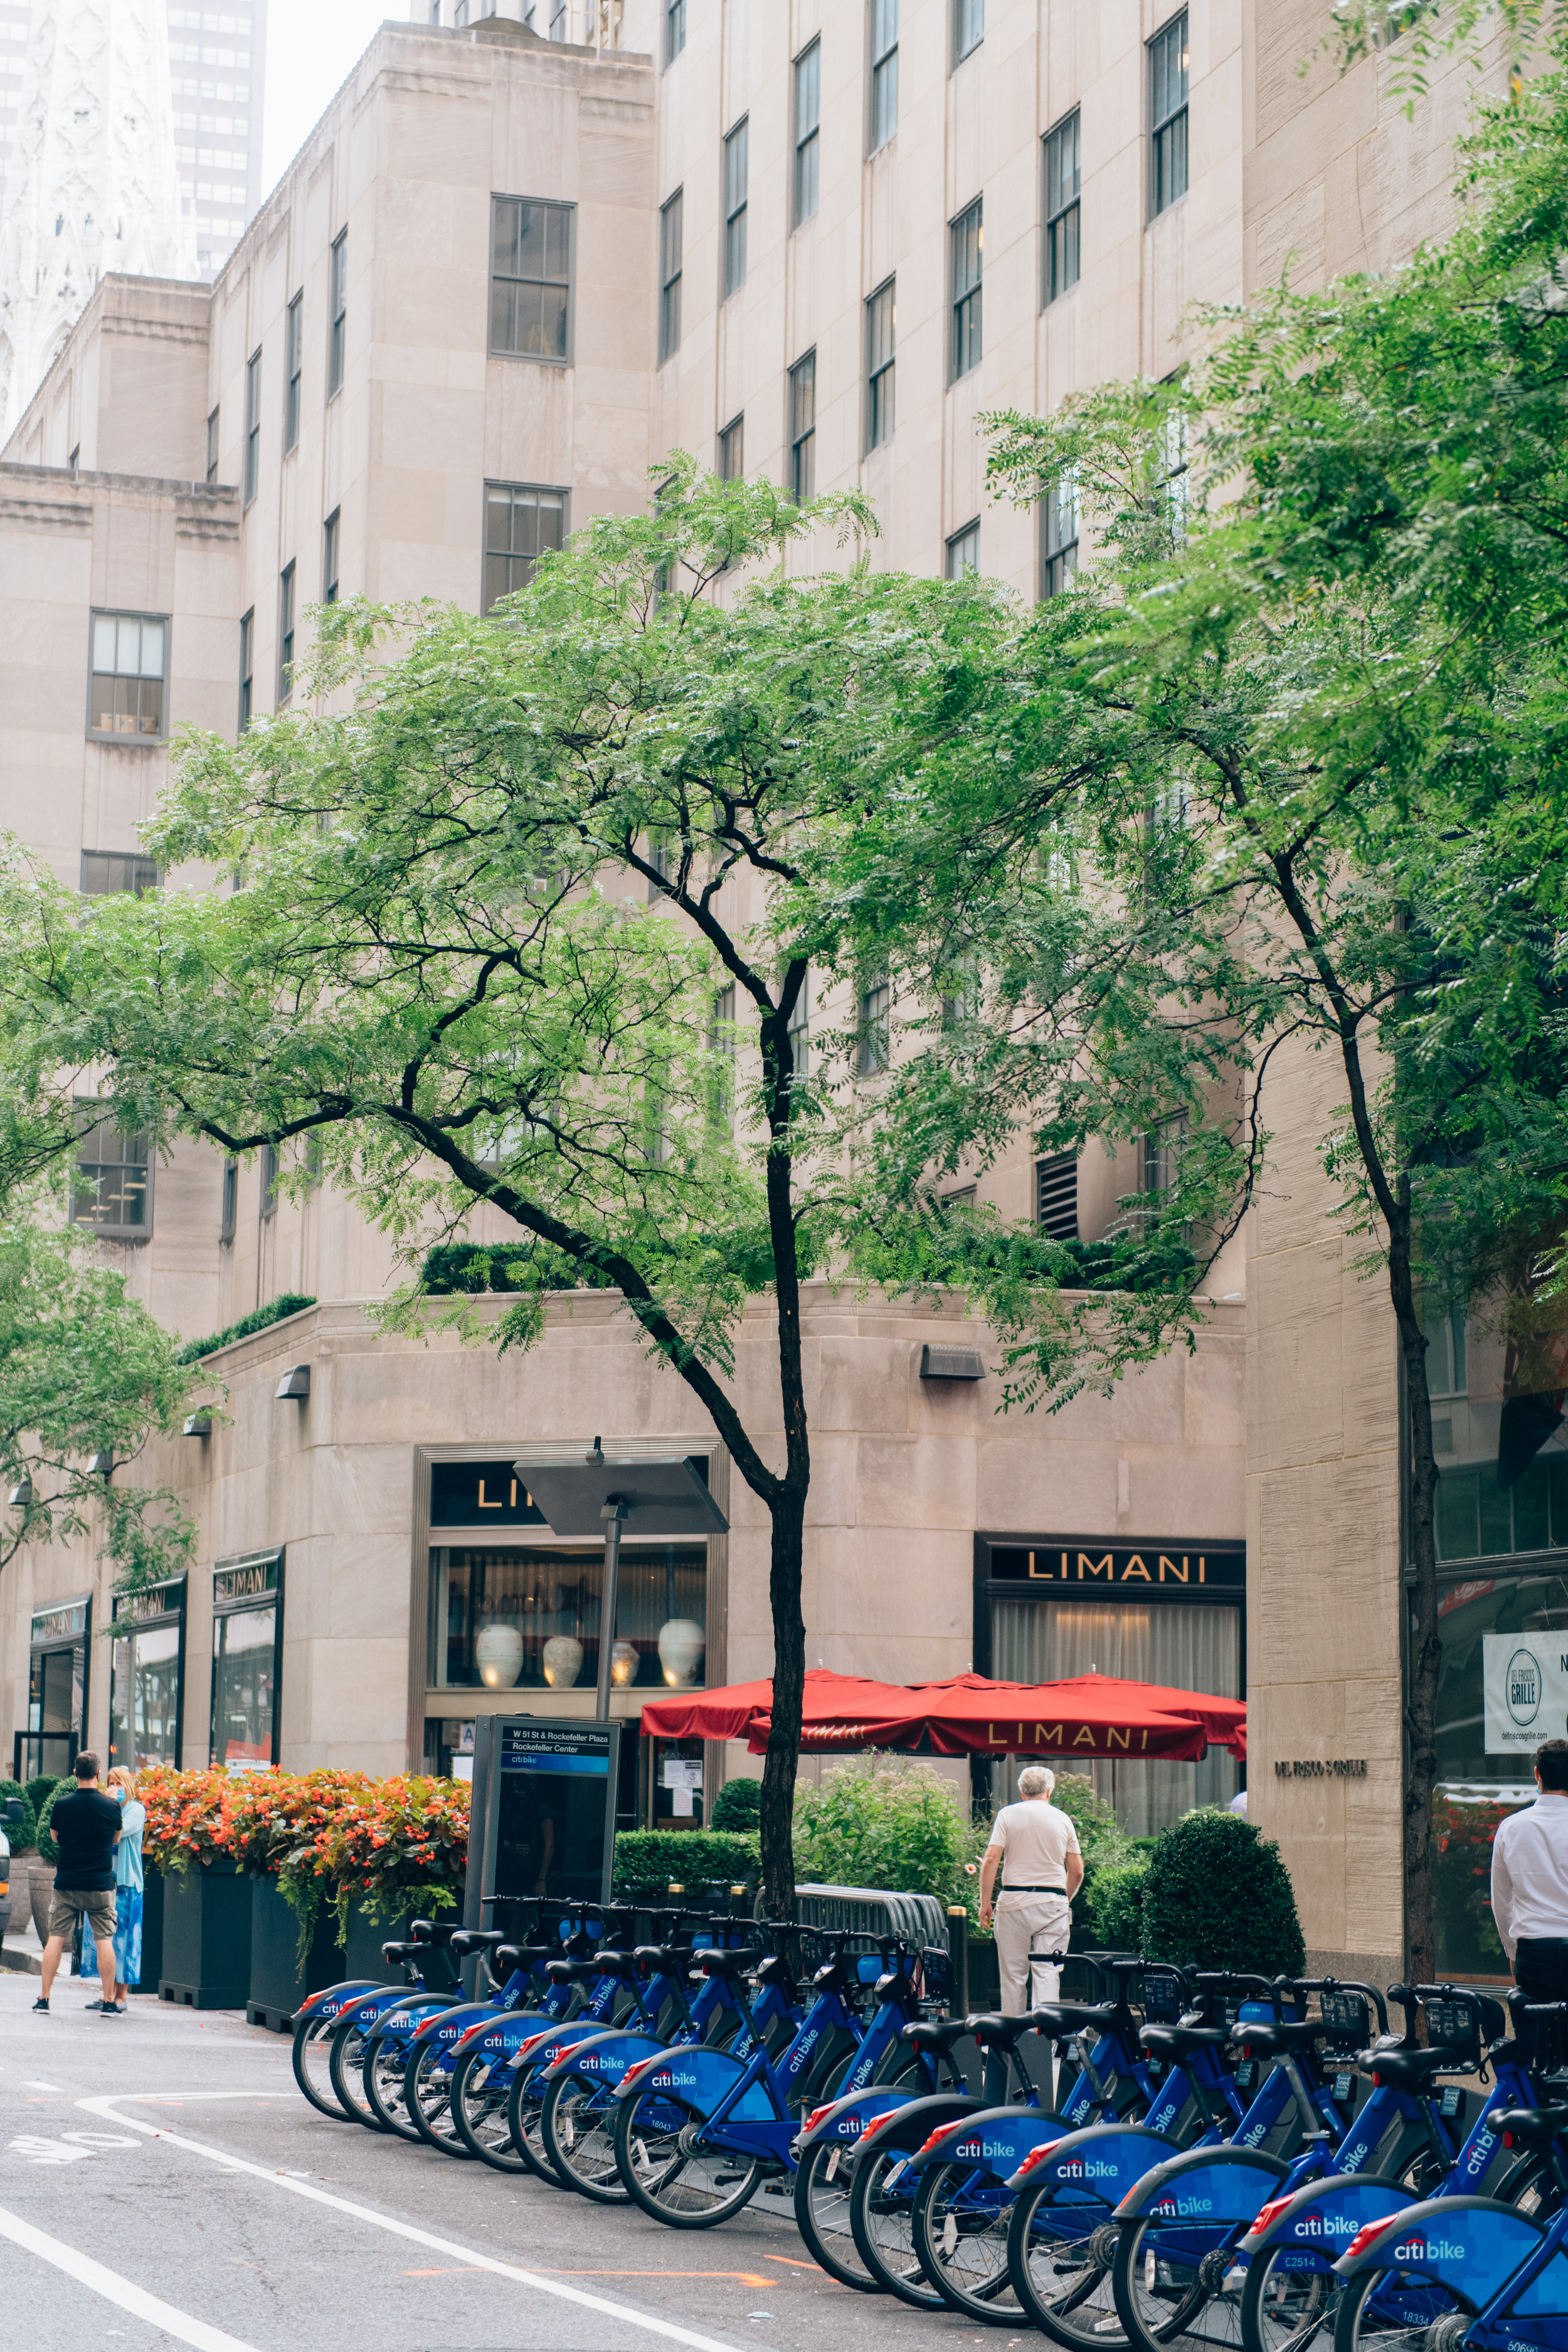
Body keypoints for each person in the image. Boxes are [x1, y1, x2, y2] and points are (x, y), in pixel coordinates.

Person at [979, 1763, 1084, 2016]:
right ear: (1050, 1791)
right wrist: (1062, 1900)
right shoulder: (1063, 1819)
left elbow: (992, 1859)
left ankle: (1012, 2044)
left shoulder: (1008, 1815)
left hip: (1014, 1901)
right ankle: (1045, 2039)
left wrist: (985, 1903)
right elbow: (1077, 1870)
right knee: (1047, 1970)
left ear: (1022, 1792)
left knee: (1013, 1976)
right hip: (1053, 1902)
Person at [34, 1752, 121, 2016]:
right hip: (100, 1884)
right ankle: (108, 2002)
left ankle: (44, 1999)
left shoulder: (62, 1804)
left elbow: (54, 1837)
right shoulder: (112, 1806)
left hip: (67, 1884)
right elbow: (115, 1840)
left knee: (56, 1938)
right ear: (98, 1774)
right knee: (104, 1939)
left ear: (75, 1774)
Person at [1491, 1735, 1568, 2003]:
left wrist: (1512, 1953)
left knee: (1539, 2041)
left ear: (1537, 1774)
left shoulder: (1510, 1828)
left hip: (1535, 1955)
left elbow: (1501, 1903)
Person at [80, 1767, 145, 2012]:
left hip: (127, 1884)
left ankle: (121, 1997)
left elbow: (118, 1831)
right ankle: (107, 1994)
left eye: (119, 1783)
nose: (114, 1787)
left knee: (126, 1941)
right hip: (103, 1880)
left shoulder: (137, 1810)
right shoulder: (106, 1807)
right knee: (104, 1939)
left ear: (128, 1784)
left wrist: (109, 1806)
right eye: (110, 1782)